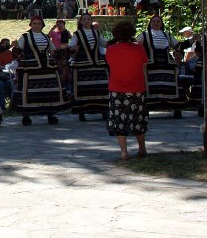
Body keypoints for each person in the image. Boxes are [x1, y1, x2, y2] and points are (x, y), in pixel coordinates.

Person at [12, 15, 69, 126]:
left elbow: (53, 51)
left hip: (46, 67)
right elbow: (18, 51)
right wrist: (16, 47)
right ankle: (26, 115)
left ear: (42, 25)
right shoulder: (25, 37)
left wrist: (65, 51)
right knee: (29, 91)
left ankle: (50, 113)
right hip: (30, 67)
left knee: (48, 90)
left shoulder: (46, 37)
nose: (37, 26)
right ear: (30, 25)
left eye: (39, 24)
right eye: (34, 23)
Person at [105, 21, 149, 159]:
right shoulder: (139, 49)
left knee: (119, 120)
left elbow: (110, 64)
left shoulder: (111, 49)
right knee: (138, 118)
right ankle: (142, 148)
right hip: (136, 88)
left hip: (117, 89)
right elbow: (144, 66)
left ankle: (124, 151)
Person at [139, 14, 188, 118]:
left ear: (161, 24)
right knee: (149, 85)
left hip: (167, 64)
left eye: (158, 21)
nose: (156, 23)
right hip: (151, 65)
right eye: (154, 21)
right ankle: (147, 107)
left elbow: (178, 46)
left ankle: (176, 108)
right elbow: (137, 45)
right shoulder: (144, 35)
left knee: (175, 81)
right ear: (150, 23)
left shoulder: (167, 35)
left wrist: (191, 41)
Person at [69, 12, 109, 122]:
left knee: (100, 87)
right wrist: (73, 49)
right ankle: (82, 112)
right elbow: (72, 46)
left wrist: (117, 41)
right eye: (84, 19)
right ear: (81, 22)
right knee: (83, 88)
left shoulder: (96, 33)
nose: (87, 21)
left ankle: (103, 111)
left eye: (88, 19)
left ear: (91, 21)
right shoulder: (77, 34)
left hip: (97, 64)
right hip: (82, 64)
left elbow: (104, 44)